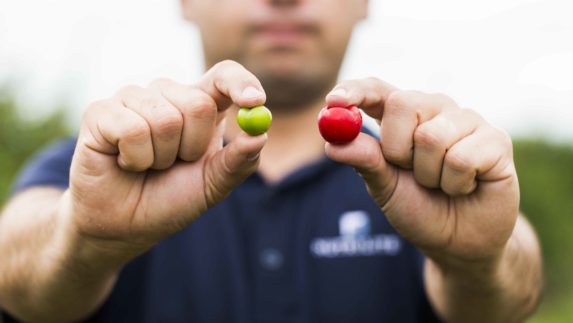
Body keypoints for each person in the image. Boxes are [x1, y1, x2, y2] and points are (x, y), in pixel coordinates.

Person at [0, 0, 542, 322]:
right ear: (186, 1)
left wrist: (480, 265)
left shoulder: (430, 168)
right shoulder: (98, 165)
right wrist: (84, 242)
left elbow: (514, 284)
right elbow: (14, 271)